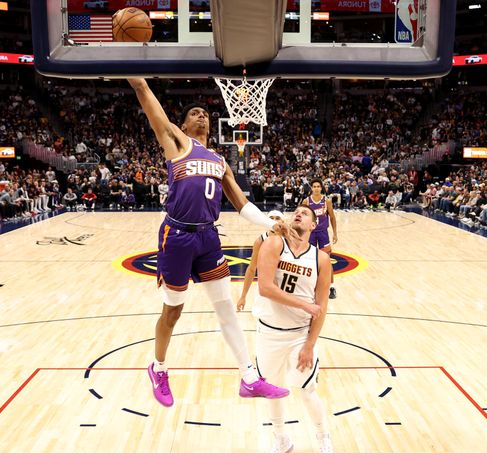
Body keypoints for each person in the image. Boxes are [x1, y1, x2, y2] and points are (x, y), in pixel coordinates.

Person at [128, 77, 292, 407]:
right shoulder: (175, 142)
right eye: (195, 112)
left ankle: (249, 377)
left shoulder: (220, 161)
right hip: (176, 236)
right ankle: (158, 368)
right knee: (173, 311)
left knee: (226, 309)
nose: (202, 115)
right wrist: (134, 71)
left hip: (208, 237)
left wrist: (269, 224)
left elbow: (243, 204)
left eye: (205, 113)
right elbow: (145, 95)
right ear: (184, 123)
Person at [254, 204, 333, 453]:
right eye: (296, 211)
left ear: (314, 226)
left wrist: (310, 344)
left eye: (306, 213)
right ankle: (281, 439)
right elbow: (265, 287)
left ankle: (323, 437)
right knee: (273, 391)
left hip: (299, 334)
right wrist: (303, 305)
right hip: (269, 332)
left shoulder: (320, 259)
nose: (299, 214)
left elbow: (321, 307)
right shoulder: (275, 244)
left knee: (308, 390)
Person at [236, 210, 285, 312]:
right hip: (266, 289)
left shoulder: (290, 239)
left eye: (277, 218)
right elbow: (251, 269)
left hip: (286, 288)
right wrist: (243, 296)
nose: (274, 221)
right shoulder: (260, 241)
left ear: (283, 222)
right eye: (271, 218)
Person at [301, 178, 338, 299]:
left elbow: (332, 217)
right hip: (310, 233)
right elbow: (300, 217)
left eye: (318, 186)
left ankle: (332, 287)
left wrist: (335, 233)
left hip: (323, 233)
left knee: (326, 260)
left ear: (321, 188)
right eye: (314, 186)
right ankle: (309, 286)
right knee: (309, 260)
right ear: (311, 188)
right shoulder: (306, 201)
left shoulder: (326, 201)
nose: (316, 188)